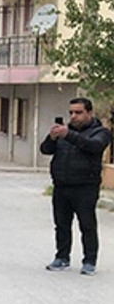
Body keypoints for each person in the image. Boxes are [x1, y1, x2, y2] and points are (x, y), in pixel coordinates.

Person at [41, 98, 112, 275]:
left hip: (85, 187)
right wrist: (52, 137)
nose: (74, 116)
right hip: (62, 185)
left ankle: (89, 261)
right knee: (61, 224)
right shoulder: (64, 131)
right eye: (71, 112)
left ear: (89, 113)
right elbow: (45, 150)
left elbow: (94, 147)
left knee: (87, 225)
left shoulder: (101, 132)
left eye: (78, 113)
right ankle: (62, 257)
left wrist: (68, 135)